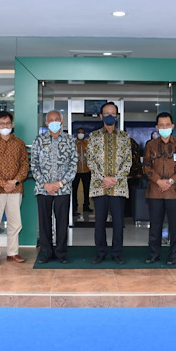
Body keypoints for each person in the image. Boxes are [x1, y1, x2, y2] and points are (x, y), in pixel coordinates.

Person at [143, 112, 176, 265]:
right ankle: (154, 254)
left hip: (175, 192)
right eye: (161, 125)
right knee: (155, 226)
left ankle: (173, 255)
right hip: (155, 191)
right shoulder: (150, 145)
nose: (165, 127)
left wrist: (170, 181)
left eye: (167, 124)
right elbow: (146, 167)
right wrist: (159, 181)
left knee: (175, 226)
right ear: (157, 127)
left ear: (172, 126)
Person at [87, 102, 132, 264]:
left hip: (118, 187)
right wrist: (103, 178)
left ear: (117, 116)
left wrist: (115, 179)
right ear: (101, 116)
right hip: (99, 187)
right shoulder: (93, 136)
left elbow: (128, 161)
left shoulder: (125, 137)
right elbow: (90, 161)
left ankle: (117, 252)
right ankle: (101, 252)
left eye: (113, 113)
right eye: (106, 113)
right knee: (99, 222)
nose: (110, 116)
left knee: (118, 222)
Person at [31, 111, 78, 264]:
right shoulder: (39, 140)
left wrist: (59, 183)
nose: (54, 122)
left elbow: (73, 164)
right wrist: (45, 183)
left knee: (62, 222)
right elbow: (34, 164)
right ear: (46, 123)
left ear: (61, 122)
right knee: (44, 222)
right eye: (50, 120)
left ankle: (61, 253)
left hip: (63, 189)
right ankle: (46, 253)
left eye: (56, 119)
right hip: (43, 188)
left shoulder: (69, 140)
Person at [0, 111, 29, 265]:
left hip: (15, 188)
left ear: (12, 124)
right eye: (2, 124)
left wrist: (14, 182)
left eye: (7, 123)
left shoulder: (19, 143)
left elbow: (24, 165)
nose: (5, 126)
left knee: (15, 223)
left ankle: (12, 252)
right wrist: (4, 184)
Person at [72, 127, 92, 215]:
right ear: (76, 134)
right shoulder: (73, 144)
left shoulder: (87, 143)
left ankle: (86, 206)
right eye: (79, 132)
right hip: (76, 171)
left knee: (87, 189)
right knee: (74, 190)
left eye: (82, 133)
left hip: (86, 170)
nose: (81, 134)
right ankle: (74, 207)